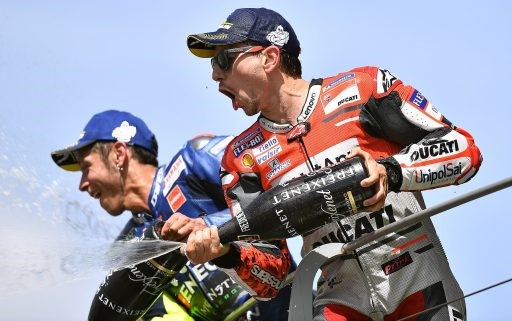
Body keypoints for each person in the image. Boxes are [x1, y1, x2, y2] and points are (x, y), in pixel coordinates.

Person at [182, 7, 483, 321]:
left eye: (223, 61)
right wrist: (227, 254)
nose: (215, 75)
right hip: (341, 303)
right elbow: (273, 278)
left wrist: (390, 172)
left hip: (420, 288)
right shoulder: (241, 157)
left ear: (269, 58)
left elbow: (466, 151)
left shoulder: (363, 87)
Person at [50, 110, 295, 321]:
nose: (82, 184)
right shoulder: (128, 246)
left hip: (296, 310)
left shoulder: (194, 159)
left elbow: (280, 193)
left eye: (86, 168)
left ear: (118, 154)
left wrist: (206, 225)